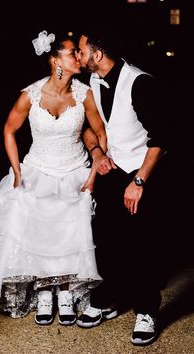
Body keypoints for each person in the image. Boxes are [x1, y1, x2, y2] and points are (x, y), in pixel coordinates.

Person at [0, 29, 107, 326]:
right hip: (38, 170)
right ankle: (43, 293)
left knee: (69, 239)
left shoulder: (84, 93)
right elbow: (8, 130)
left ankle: (65, 293)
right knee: (37, 236)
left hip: (74, 172)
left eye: (79, 53)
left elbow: (100, 131)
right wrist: (16, 169)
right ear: (56, 61)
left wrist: (93, 171)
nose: (78, 57)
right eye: (72, 53)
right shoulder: (31, 94)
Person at [76, 30, 171, 345]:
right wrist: (100, 153)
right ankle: (110, 297)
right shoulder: (93, 81)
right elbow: (94, 127)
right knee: (106, 237)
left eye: (82, 50)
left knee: (142, 245)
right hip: (113, 169)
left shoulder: (140, 82)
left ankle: (147, 310)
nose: (78, 56)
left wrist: (139, 181)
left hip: (142, 173)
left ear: (98, 55)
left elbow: (162, 140)